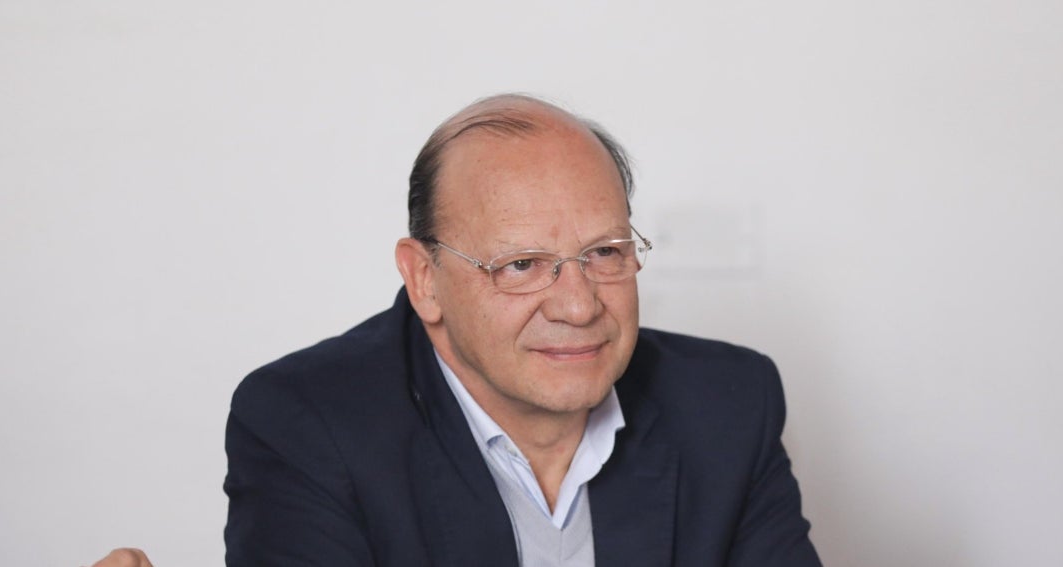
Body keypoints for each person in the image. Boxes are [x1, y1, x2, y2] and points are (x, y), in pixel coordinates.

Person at [92, 94, 822, 566]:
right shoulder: (307, 423)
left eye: (604, 252)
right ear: (425, 281)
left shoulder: (730, 402)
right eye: (522, 265)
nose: (578, 306)